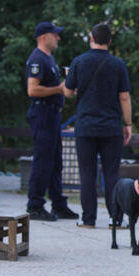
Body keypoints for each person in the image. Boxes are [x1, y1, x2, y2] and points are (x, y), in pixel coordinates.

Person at [64, 23, 132, 228]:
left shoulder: (78, 62)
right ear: (110, 41)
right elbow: (124, 97)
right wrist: (128, 123)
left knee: (87, 174)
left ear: (91, 38)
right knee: (111, 174)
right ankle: (115, 219)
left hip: (85, 127)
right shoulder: (118, 64)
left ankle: (88, 219)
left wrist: (71, 82)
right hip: (111, 128)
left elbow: (67, 92)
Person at [25, 21, 78, 221]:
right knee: (43, 160)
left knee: (55, 161)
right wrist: (59, 89)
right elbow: (32, 90)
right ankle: (35, 205)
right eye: (55, 35)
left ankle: (58, 204)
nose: (58, 38)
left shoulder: (49, 58)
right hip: (43, 113)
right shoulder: (37, 59)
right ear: (44, 37)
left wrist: (65, 88)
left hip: (52, 113)